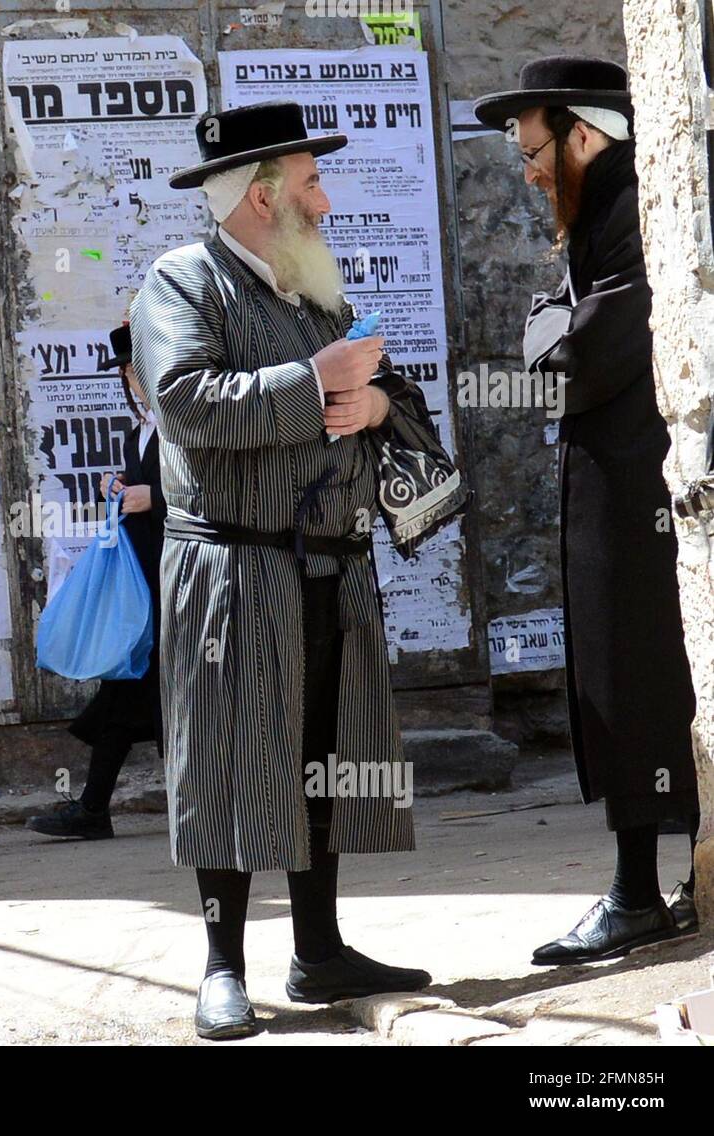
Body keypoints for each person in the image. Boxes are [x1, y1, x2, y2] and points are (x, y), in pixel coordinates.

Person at [129, 101, 435, 1040]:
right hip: (233, 572)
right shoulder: (180, 283)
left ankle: (319, 950)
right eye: (310, 183)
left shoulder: (314, 290)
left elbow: (391, 390)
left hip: (332, 570)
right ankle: (223, 966)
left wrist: (377, 405)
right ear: (263, 196)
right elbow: (185, 405)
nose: (326, 199)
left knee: (325, 763)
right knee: (230, 763)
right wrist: (318, 384)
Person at [474, 55, 701, 965]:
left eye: (533, 148)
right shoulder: (594, 216)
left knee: (644, 673)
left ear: (583, 132)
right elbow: (555, 338)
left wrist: (554, 333)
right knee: (622, 669)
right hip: (613, 481)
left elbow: (582, 352)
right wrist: (554, 331)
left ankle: (642, 892)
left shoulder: (636, 210)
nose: (527, 170)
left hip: (647, 484)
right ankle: (644, 883)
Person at [27, 324, 166, 840]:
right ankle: (94, 810)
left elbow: (220, 494)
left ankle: (102, 810)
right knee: (129, 690)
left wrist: (157, 498)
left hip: (179, 584)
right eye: (128, 372)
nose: (133, 380)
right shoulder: (141, 432)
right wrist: (124, 487)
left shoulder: (183, 429)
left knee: (157, 696)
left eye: (140, 368)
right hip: (142, 590)